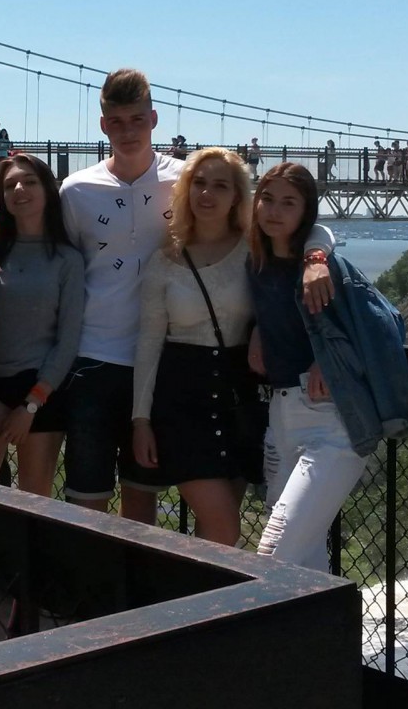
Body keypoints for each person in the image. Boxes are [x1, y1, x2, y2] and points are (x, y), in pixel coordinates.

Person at [59, 69, 334, 524]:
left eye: (137, 120)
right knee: (87, 504)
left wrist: (316, 256)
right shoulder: (75, 190)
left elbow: (284, 223)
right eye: (117, 122)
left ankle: (144, 576)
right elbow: (54, 257)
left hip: (169, 370)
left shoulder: (186, 178)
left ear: (154, 120)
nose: (128, 131)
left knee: (141, 505)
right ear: (103, 125)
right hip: (96, 357)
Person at [247, 162, 408, 572]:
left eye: (289, 202)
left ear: (306, 211)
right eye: (267, 198)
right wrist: (257, 329)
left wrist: (328, 359)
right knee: (304, 560)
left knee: (273, 553)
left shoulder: (324, 270)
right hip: (281, 418)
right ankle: (319, 617)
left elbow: (388, 324)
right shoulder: (256, 261)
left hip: (332, 423)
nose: (275, 210)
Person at [131, 148, 267, 545]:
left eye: (220, 185)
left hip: (237, 401)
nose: (207, 193)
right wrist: (141, 421)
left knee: (215, 538)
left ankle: (198, 586)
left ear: (237, 196)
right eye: (199, 183)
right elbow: (149, 343)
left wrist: (262, 329)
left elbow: (311, 235)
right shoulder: (163, 261)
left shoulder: (255, 251)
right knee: (225, 527)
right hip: (181, 406)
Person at [0, 154, 83, 497]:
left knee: (34, 502)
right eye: (10, 185)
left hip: (41, 389)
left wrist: (31, 404)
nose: (20, 189)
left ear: (48, 191)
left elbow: (68, 340)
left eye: (30, 182)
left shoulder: (68, 259)